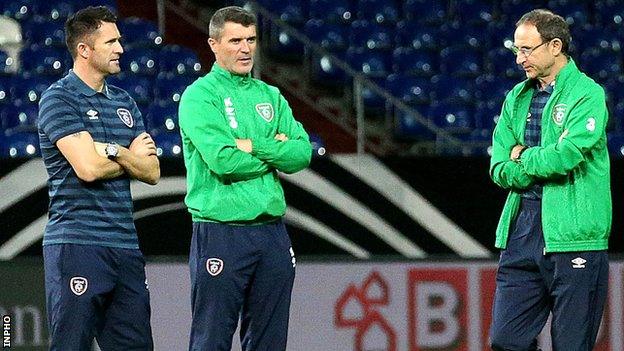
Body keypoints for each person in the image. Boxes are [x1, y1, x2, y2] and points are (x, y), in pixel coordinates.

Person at [178, 6, 312, 351]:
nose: (245, 48)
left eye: (251, 39)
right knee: (211, 340)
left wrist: (251, 145)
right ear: (213, 44)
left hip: (272, 234)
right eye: (235, 40)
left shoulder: (271, 96)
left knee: (270, 342)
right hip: (221, 231)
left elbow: (302, 154)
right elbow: (223, 161)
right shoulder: (199, 96)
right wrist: (273, 156)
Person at [37, 6, 160, 350]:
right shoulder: (58, 99)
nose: (121, 48)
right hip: (77, 244)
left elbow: (152, 172)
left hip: (125, 245)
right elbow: (87, 169)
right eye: (111, 42)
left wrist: (114, 151)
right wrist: (129, 154)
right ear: (84, 50)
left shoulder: (125, 102)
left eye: (119, 40)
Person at [489, 9, 611, 351]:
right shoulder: (516, 97)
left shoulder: (587, 94)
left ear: (555, 46)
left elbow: (564, 158)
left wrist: (522, 155)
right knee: (505, 341)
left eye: (526, 50)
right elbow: (498, 167)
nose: (519, 59)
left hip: (574, 233)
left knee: (572, 346)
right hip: (522, 227)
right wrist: (525, 159)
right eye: (516, 50)